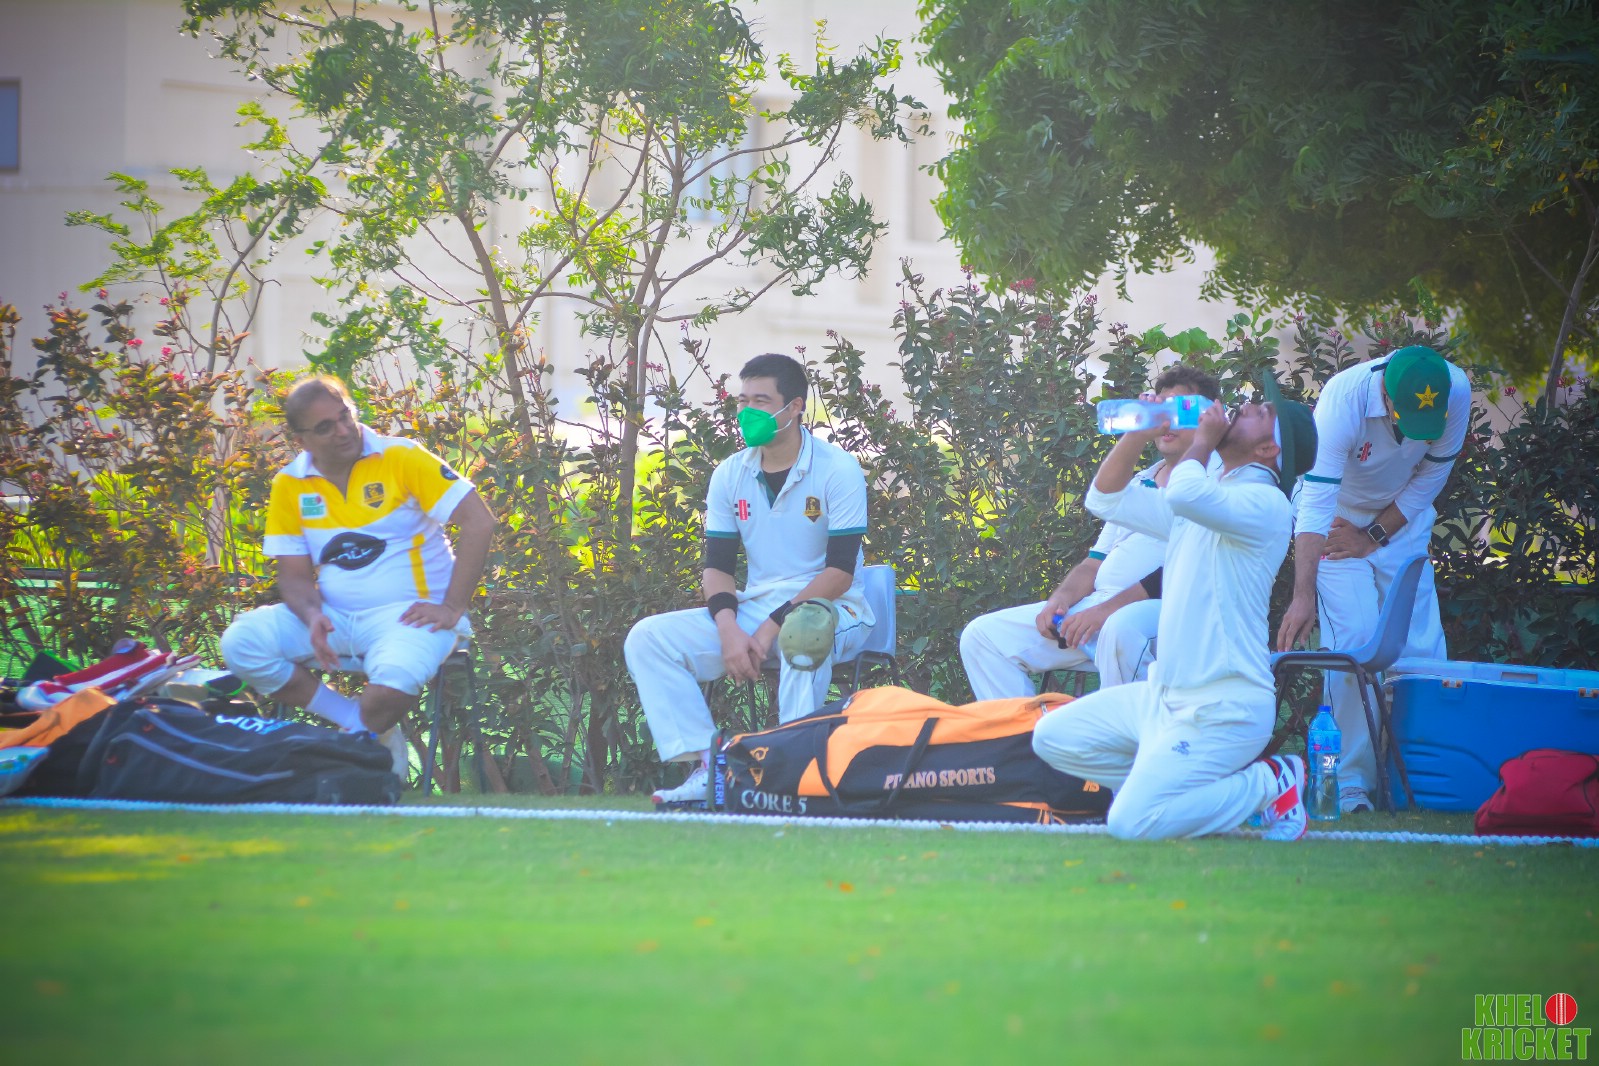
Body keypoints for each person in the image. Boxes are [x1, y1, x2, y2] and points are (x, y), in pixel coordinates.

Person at [1032, 378, 1319, 840]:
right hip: (1163, 698)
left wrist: (1201, 441)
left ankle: (1269, 782)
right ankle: (1187, 796)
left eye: (1260, 411)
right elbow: (1104, 498)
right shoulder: (1210, 493)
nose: (1245, 405)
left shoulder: (1265, 503)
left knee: (1130, 823)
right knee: (1053, 738)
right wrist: (1138, 433)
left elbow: (1186, 494)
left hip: (1224, 708)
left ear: (1268, 449)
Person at [625, 353, 875, 806]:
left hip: (834, 610)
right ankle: (710, 768)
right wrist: (728, 630)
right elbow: (717, 567)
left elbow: (839, 573)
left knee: (804, 631)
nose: (747, 412)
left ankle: (792, 777)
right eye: (742, 401)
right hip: (758, 609)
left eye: (761, 401)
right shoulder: (731, 473)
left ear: (794, 407)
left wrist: (769, 627)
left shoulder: (837, 468)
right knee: (649, 638)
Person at [220, 375, 494, 774]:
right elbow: (293, 576)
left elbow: (479, 522)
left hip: (411, 616)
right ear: (301, 440)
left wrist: (451, 608)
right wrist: (312, 615)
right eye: (325, 427)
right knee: (241, 643)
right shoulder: (290, 483)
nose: (343, 430)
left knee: (394, 681)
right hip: (335, 617)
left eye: (345, 416)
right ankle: (358, 728)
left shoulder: (402, 457)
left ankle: (344, 760)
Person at [1276, 344, 1470, 812]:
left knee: (1421, 650)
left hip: (1400, 520)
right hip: (1335, 517)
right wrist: (1302, 596)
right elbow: (1315, 503)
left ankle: (1418, 781)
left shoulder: (1456, 389)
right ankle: (1349, 784)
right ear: (1385, 394)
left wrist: (1375, 536)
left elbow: (1431, 478)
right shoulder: (1342, 400)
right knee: (1356, 644)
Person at [959, 366, 1221, 699]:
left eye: (1180, 409)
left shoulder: (1216, 481)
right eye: (1160, 408)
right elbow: (1094, 563)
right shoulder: (1139, 480)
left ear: (1207, 417)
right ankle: (1027, 732)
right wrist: (1060, 601)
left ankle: (1125, 731)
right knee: (983, 636)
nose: (1166, 420)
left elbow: (1190, 566)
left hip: (1161, 613)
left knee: (1120, 628)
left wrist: (1104, 611)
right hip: (1098, 608)